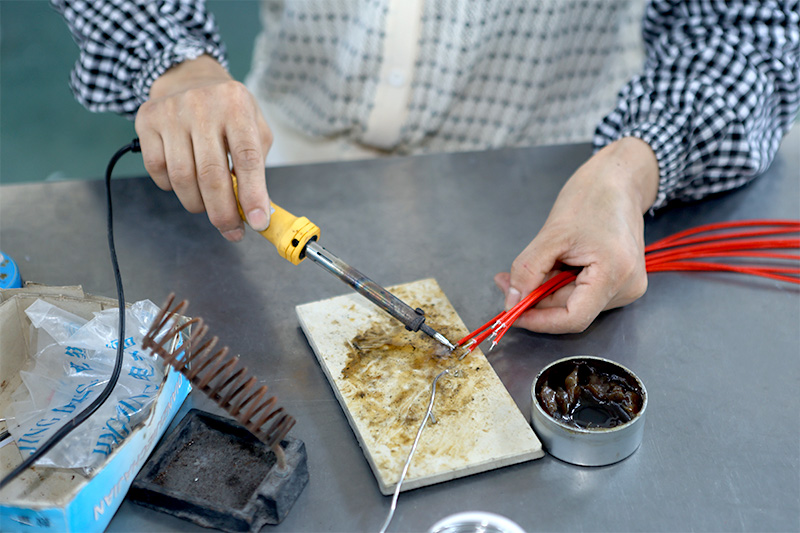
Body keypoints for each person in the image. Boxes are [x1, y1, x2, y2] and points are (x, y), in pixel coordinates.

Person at [51, 0, 799, 334]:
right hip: (272, 153)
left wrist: (629, 172)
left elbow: (752, 29)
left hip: (559, 187)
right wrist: (175, 61)